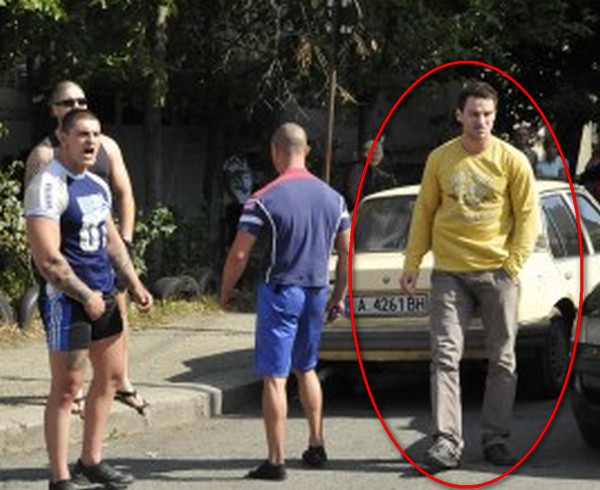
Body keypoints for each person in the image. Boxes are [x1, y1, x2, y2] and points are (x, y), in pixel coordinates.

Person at [399, 80, 539, 472]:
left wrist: (513, 264)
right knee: (445, 356)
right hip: (450, 273)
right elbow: (424, 212)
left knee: (503, 359)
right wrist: (412, 263)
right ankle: (447, 441)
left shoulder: (512, 160)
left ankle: (495, 438)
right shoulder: (440, 158)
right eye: (474, 113)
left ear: (495, 117)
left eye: (488, 114)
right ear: (460, 115)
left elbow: (529, 216)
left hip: (498, 272)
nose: (481, 121)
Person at [24, 108, 153, 490]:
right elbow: (48, 259)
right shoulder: (48, 186)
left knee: (110, 379)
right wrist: (84, 295)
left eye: (96, 134)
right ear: (63, 138)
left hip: (105, 295)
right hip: (67, 301)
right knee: (67, 388)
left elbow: (112, 242)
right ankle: (60, 476)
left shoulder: (96, 184)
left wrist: (134, 283)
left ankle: (92, 460)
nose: (91, 141)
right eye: (82, 134)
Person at [220, 123, 350, 480]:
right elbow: (345, 252)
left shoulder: (263, 198)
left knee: (275, 378)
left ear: (275, 151)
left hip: (280, 291)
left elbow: (239, 254)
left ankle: (275, 461)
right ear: (306, 151)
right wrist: (339, 295)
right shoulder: (334, 198)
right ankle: (316, 444)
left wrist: (226, 290)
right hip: (316, 290)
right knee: (306, 368)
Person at [345, 137, 398, 210]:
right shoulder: (358, 170)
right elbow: (354, 193)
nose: (376, 157)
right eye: (373, 153)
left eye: (378, 153)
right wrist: (365, 208)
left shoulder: (381, 171)